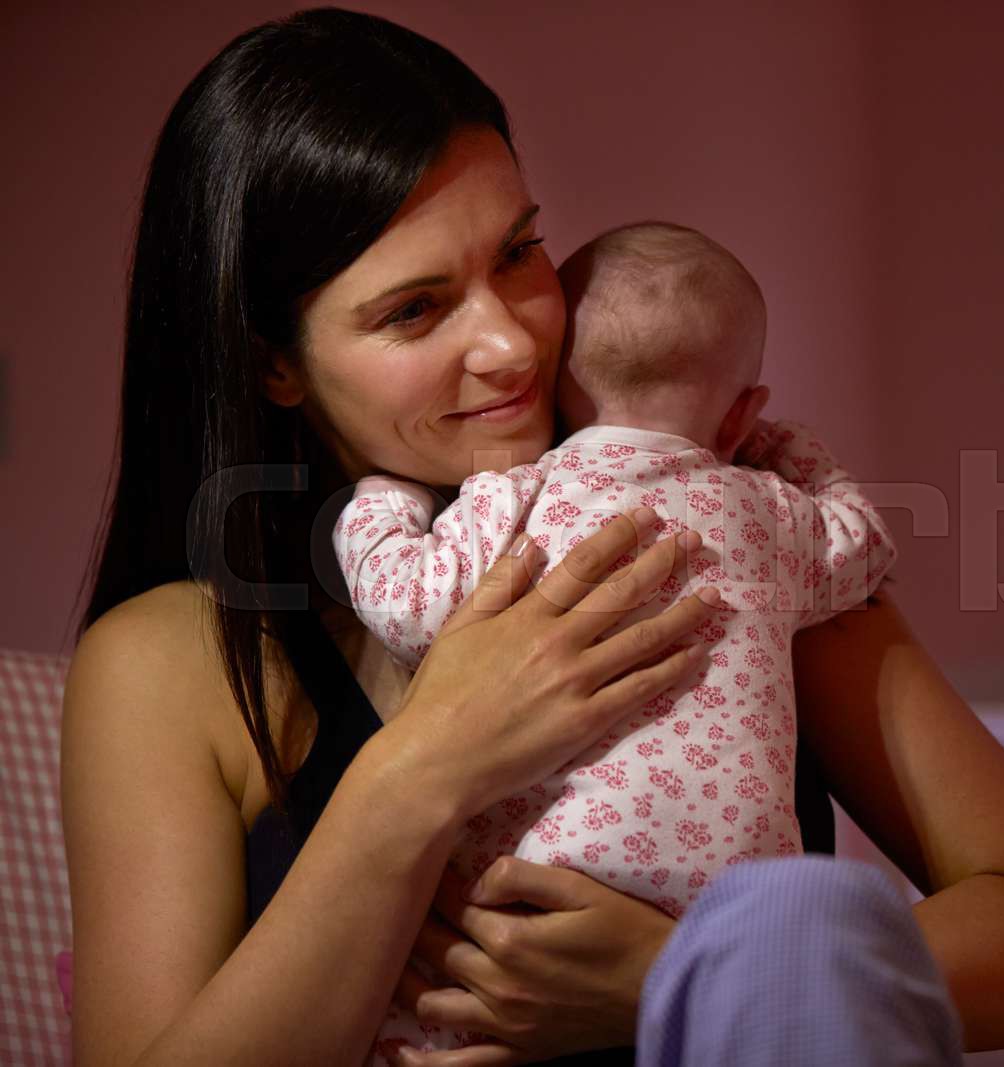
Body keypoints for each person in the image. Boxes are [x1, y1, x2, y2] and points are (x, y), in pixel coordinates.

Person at [60, 8, 1004, 1067]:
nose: (511, 338)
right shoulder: (174, 663)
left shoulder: (711, 543)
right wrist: (424, 767)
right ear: (275, 362)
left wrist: (683, 974)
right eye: (414, 310)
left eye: (521, 250)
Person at [339, 220, 898, 1055]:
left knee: (439, 1008)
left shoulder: (515, 495)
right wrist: (789, 453)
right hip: (738, 904)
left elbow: (408, 605)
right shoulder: (766, 515)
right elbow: (864, 542)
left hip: (546, 888)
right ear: (742, 412)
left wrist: (382, 500)